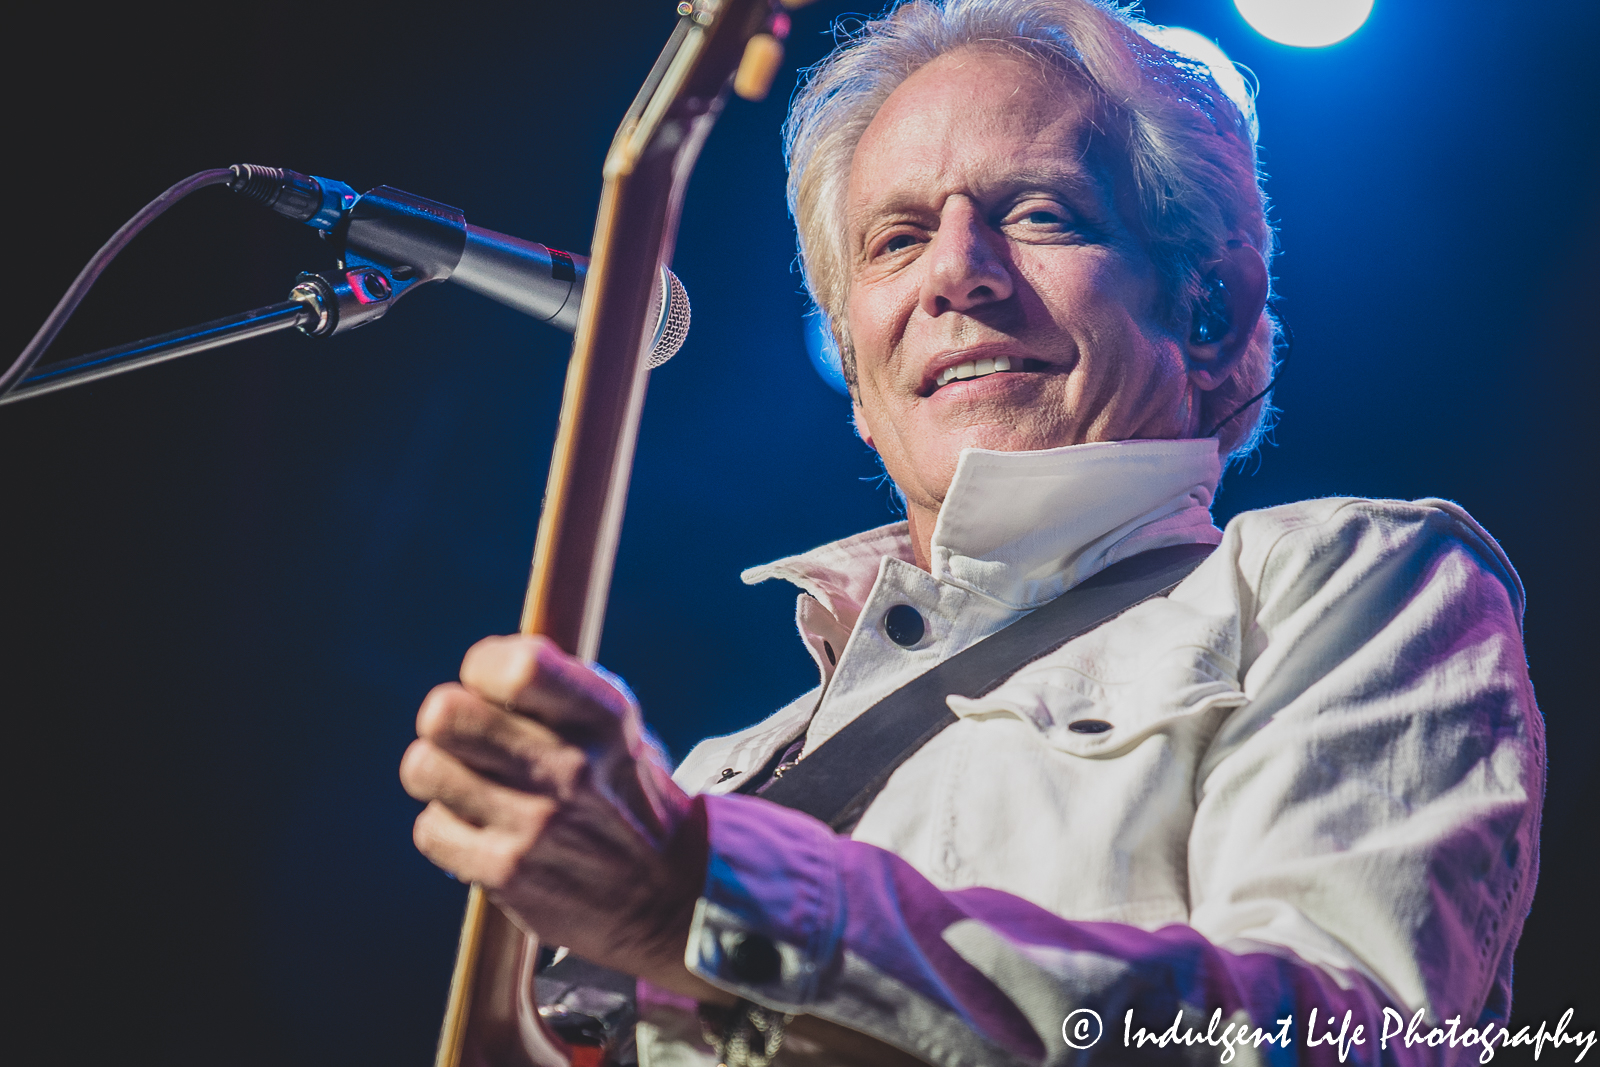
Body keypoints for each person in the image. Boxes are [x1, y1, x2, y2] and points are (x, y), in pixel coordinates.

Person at [398, 1, 1543, 1063]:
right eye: (895, 240)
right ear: (855, 365)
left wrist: (710, 891)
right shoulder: (710, 777)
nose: (956, 271)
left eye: (1038, 213)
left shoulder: (1351, 582)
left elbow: (1338, 1038)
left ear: (1211, 307)